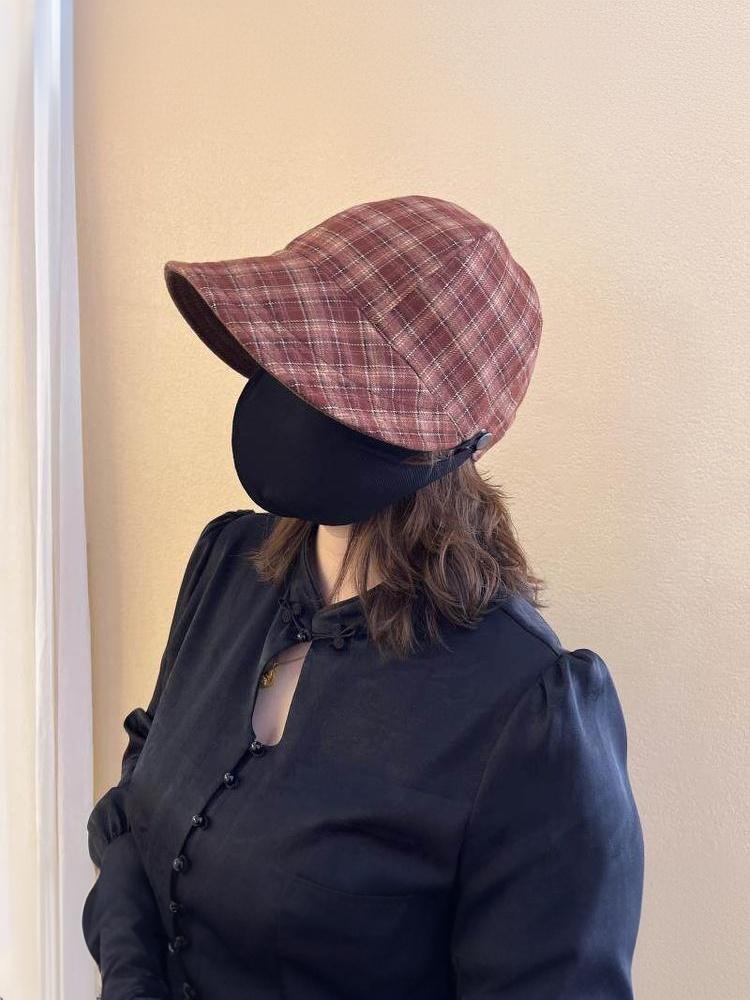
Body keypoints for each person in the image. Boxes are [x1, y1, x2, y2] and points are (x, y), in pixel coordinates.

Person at [82, 195, 645, 1000]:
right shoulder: (228, 566)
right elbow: (134, 820)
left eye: (327, 366)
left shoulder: (528, 716)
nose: (288, 389)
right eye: (292, 351)